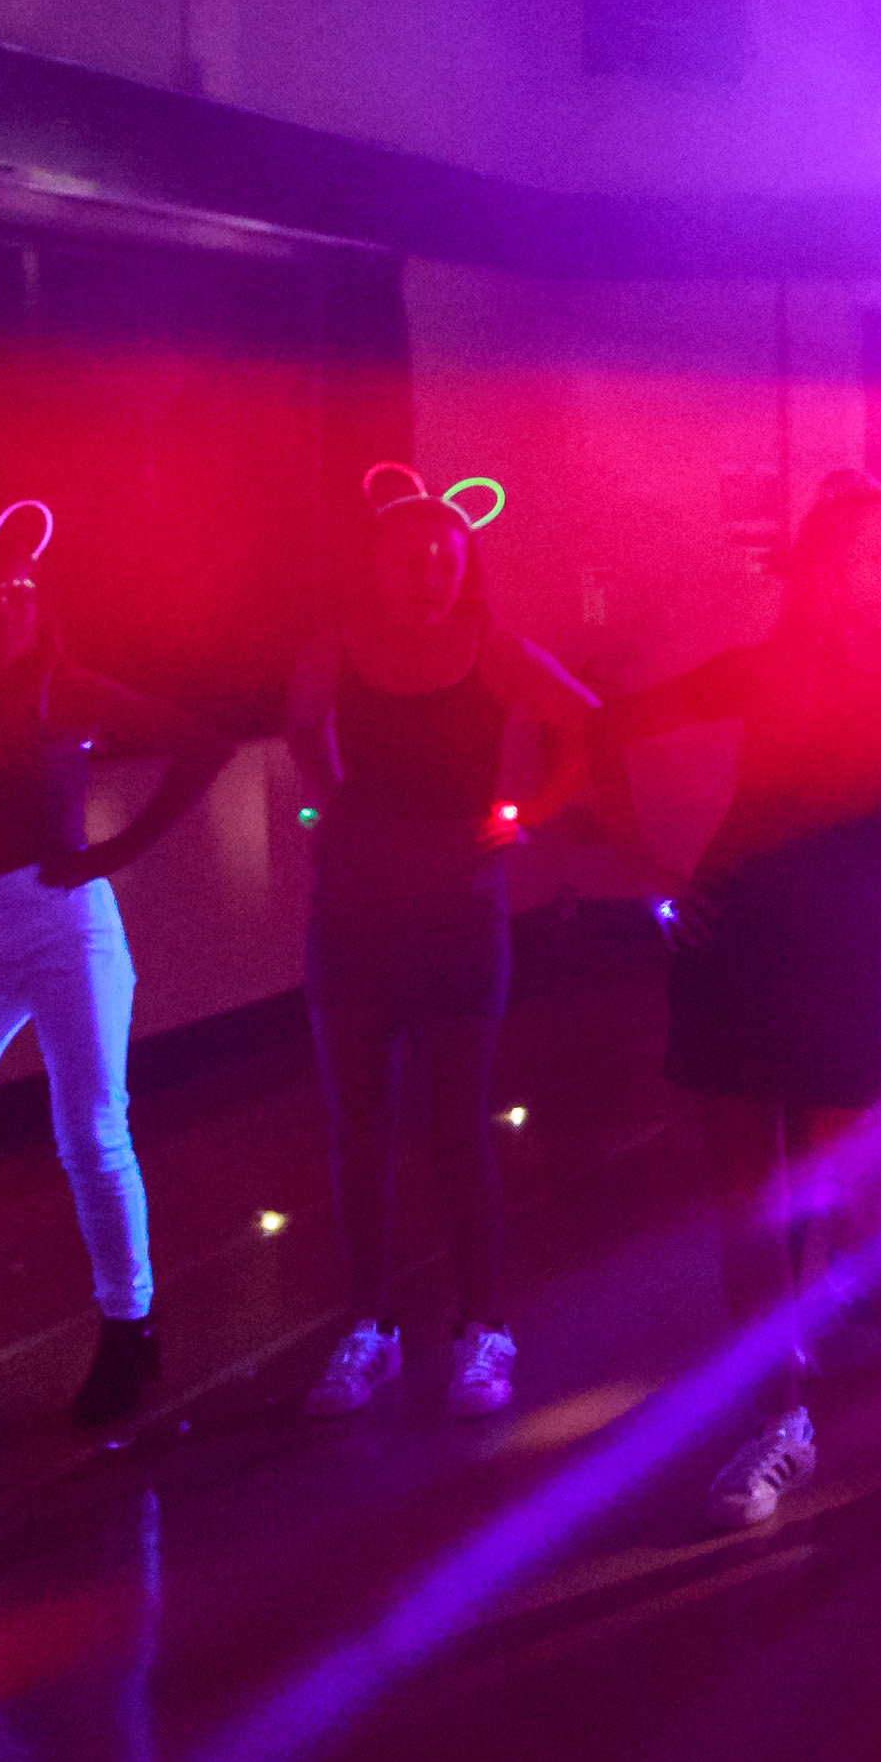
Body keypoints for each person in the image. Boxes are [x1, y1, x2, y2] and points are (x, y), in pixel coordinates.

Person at [617, 483, 881, 1527]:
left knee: (865, 1207)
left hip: (851, 967)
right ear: (824, 574)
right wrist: (655, 872)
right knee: (752, 1214)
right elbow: (614, 727)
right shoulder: (769, 672)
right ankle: (779, 1423)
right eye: (870, 557)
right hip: (739, 951)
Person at [0, 501, 231, 1438]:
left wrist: (117, 851)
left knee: (92, 1133)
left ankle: (128, 1328)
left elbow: (204, 742)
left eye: (15, 596)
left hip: (63, 925)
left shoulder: (66, 689)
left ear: (36, 603)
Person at [289, 464, 597, 1421]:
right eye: (406, 551)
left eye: (442, 551)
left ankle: (483, 1329)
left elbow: (582, 722)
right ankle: (369, 1328)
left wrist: (529, 814)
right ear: (375, 563)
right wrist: (333, 803)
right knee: (359, 1131)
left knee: (458, 1128)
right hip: (353, 909)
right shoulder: (335, 644)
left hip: (460, 909)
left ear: (466, 560)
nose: (425, 565)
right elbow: (301, 727)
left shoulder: (490, 647)